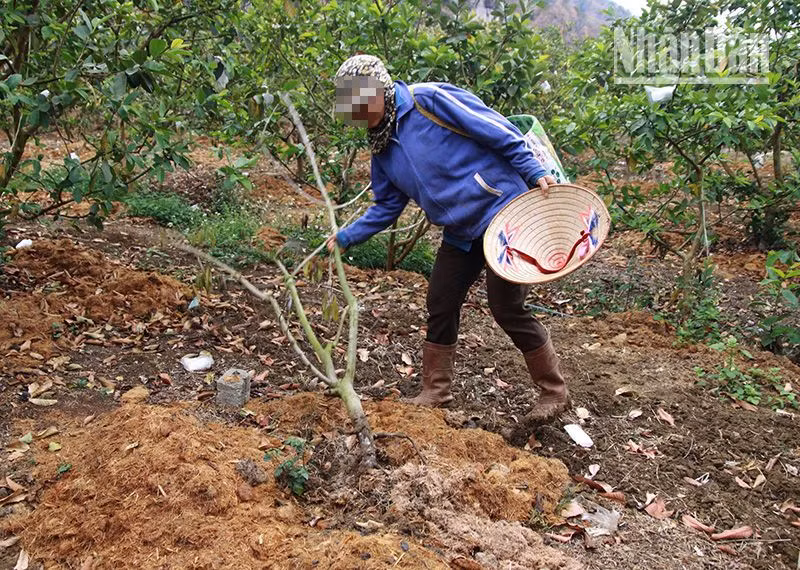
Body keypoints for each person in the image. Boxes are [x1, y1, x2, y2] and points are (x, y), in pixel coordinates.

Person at [327, 54, 568, 424]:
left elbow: (498, 130)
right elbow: (386, 207)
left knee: (505, 306)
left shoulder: (431, 100)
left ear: (381, 89)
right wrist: (345, 238)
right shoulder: (382, 146)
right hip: (461, 232)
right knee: (440, 300)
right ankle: (436, 390)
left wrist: (534, 171)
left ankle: (553, 391)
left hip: (503, 213)